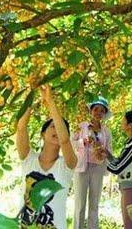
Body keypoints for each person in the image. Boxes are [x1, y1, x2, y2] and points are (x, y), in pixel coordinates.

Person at [16, 85, 77, 229]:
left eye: (60, 127)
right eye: (52, 126)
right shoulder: (28, 159)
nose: (56, 129)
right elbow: (21, 128)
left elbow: (65, 140)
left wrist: (50, 101)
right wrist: (32, 93)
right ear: (42, 134)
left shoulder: (68, 164)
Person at [72, 97, 112, 229]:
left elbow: (109, 150)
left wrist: (103, 151)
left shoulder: (106, 131)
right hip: (82, 167)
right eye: (96, 109)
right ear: (91, 111)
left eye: (101, 111)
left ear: (104, 114)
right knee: (80, 203)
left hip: (98, 168)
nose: (98, 112)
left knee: (94, 203)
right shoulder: (81, 126)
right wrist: (83, 141)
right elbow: (71, 143)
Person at [105, 110, 132, 229]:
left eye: (123, 120)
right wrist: (107, 155)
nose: (121, 122)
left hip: (131, 189)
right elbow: (120, 163)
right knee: (129, 225)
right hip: (127, 188)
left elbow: (117, 168)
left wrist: (102, 160)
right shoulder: (130, 143)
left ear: (130, 125)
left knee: (130, 226)